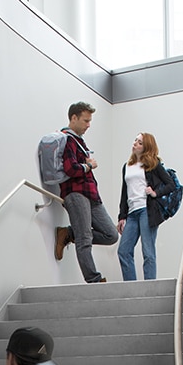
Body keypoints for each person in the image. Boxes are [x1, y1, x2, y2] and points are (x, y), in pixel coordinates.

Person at [54, 101, 118, 283]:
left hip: (91, 194)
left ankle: (68, 233)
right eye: (85, 120)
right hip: (75, 193)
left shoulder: (78, 140)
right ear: (73, 118)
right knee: (85, 238)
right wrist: (89, 165)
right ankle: (94, 281)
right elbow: (70, 169)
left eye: (89, 121)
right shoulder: (66, 139)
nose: (89, 125)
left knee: (111, 235)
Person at [116, 132, 176, 281]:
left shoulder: (153, 164)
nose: (135, 143)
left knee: (148, 251)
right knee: (123, 251)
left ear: (147, 147)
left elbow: (171, 184)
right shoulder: (127, 166)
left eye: (140, 142)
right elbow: (124, 192)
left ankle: (150, 287)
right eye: (135, 140)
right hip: (132, 213)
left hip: (146, 211)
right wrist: (122, 216)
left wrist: (155, 192)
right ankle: (131, 288)